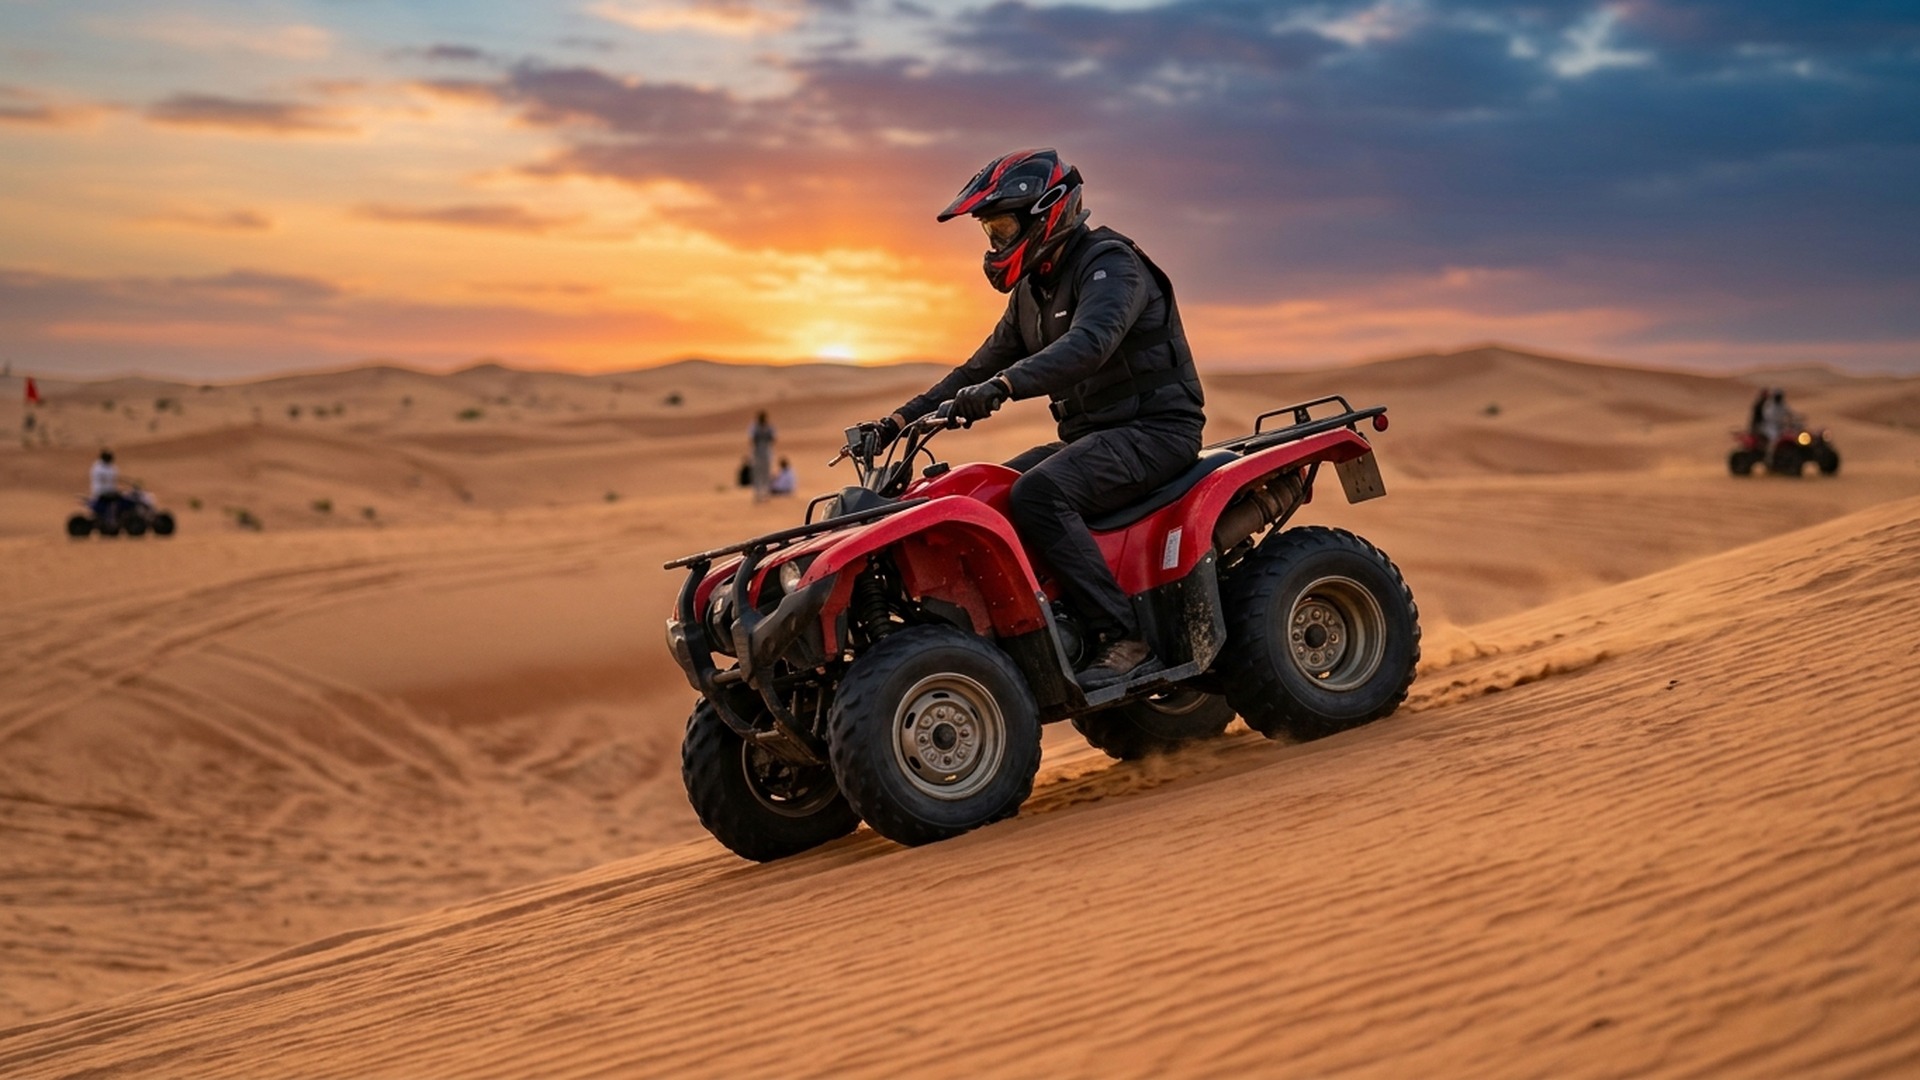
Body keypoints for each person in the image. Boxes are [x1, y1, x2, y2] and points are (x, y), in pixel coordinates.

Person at [860, 148, 1205, 688]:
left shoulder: (1111, 264)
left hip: (1158, 430)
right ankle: (1049, 630)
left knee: (1040, 495)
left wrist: (1004, 387)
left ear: (1049, 212)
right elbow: (976, 366)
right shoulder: (1032, 292)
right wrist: (896, 421)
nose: (995, 244)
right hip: (1094, 437)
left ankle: (1124, 639)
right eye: (989, 232)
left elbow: (1089, 345)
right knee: (987, 494)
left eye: (1001, 227)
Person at [748, 411, 777, 501]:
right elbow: (752, 439)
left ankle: (765, 493)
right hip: (757, 453)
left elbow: (773, 438)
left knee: (766, 473)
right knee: (757, 473)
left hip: (766, 453)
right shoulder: (754, 427)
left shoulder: (769, 427)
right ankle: (758, 493)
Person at [90, 449, 120, 516]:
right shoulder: (98, 468)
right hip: (102, 491)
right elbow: (106, 479)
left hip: (109, 491)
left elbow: (114, 477)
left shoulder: (110, 466)